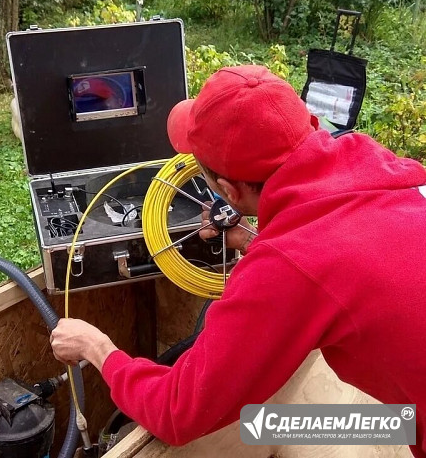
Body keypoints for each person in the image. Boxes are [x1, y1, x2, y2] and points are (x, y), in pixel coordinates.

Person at [50, 65, 426, 456]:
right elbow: (340, 250)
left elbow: (178, 412)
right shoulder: (388, 171)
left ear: (228, 191)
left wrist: (96, 346)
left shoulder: (290, 265)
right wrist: (254, 240)